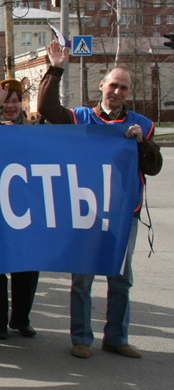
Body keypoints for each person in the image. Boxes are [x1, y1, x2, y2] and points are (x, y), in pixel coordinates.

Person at [39, 40, 163, 359]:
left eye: (123, 87)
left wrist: (141, 144)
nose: (117, 92)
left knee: (121, 279)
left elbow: (154, 167)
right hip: (88, 213)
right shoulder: (82, 118)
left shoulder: (141, 126)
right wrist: (56, 69)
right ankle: (81, 337)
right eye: (113, 85)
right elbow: (46, 110)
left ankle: (116, 337)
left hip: (124, 216)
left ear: (129, 92)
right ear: (101, 86)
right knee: (83, 278)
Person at [0, 76, 40, 340]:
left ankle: (21, 319)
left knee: (26, 266)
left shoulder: (34, 130)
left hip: (25, 209)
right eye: (5, 101)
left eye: (15, 100)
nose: (10, 106)